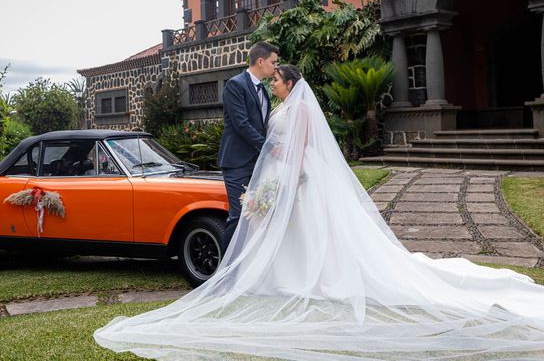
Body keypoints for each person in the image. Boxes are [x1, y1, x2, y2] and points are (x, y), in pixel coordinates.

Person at [95, 65, 544, 360]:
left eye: (276, 81)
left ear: (289, 83)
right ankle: (283, 276)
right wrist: (267, 183)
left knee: (307, 227)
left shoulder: (299, 110)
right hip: (277, 175)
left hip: (297, 174)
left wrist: (279, 182)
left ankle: (313, 277)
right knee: (290, 231)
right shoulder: (281, 106)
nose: (271, 85)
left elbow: (299, 147)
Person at [217, 41, 278, 252]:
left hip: (258, 162)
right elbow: (241, 124)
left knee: (256, 214)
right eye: (273, 62)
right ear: (260, 62)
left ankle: (247, 267)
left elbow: (262, 125)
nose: (275, 67)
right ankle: (225, 274)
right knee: (238, 216)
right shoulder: (236, 85)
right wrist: (269, 147)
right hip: (236, 162)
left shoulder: (264, 90)